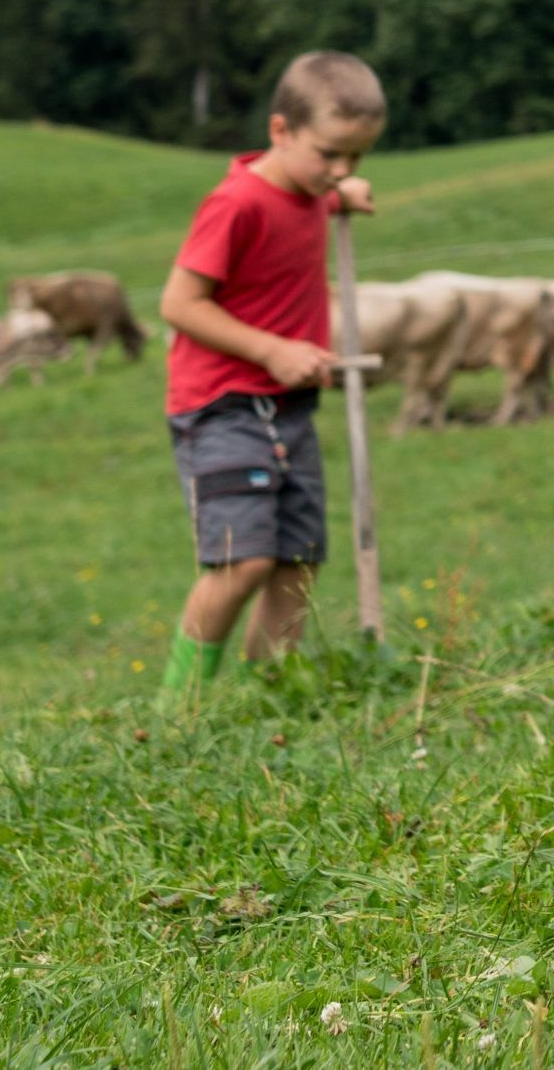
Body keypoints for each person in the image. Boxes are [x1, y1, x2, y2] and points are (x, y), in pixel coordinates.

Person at [154, 51, 386, 692]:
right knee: (241, 560)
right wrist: (272, 350)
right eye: (330, 154)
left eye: (358, 158)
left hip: (289, 408)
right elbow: (178, 304)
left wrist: (343, 193)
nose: (340, 170)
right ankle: (179, 709)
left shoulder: (312, 191)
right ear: (280, 130)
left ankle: (270, 701)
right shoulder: (235, 205)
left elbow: (319, 191)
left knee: (298, 561)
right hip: (222, 405)